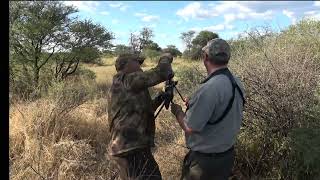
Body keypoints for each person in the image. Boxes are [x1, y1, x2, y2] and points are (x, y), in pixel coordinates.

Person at [170, 38, 245, 180]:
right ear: (227, 58)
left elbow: (190, 127)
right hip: (226, 158)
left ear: (205, 57)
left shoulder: (209, 88)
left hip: (205, 164)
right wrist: (195, 105)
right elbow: (220, 110)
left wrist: (178, 111)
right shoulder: (237, 81)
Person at [107, 53, 174, 180]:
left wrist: (160, 98)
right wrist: (166, 57)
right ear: (125, 65)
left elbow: (138, 111)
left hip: (128, 149)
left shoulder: (126, 84)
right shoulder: (127, 80)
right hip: (130, 149)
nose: (140, 65)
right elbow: (162, 71)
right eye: (137, 62)